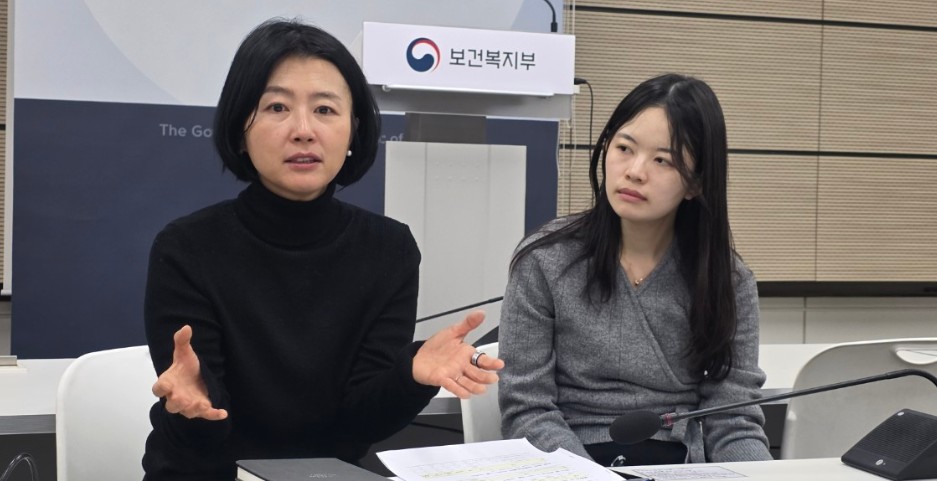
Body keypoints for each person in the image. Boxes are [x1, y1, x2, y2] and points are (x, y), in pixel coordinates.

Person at [142, 18, 503, 480]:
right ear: (239, 128)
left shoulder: (388, 250)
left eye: (325, 109)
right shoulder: (187, 248)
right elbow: (206, 425)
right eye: (277, 106)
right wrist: (193, 407)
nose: (303, 130)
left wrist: (410, 375)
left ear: (353, 131)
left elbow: (360, 423)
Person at [498, 73, 771, 466]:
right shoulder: (545, 259)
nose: (635, 171)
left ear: (696, 183)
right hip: (569, 460)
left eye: (663, 160)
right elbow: (527, 410)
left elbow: (733, 419)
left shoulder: (726, 280)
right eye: (625, 148)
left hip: (679, 464)